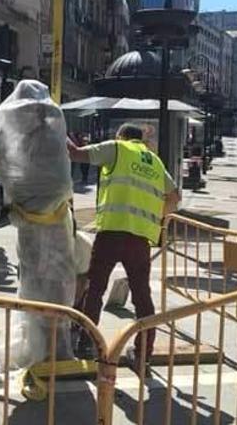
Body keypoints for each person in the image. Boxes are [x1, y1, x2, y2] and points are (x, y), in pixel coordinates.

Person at [68, 124, 180, 369]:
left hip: (112, 232)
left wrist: (56, 128)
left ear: (121, 135)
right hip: (140, 239)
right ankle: (143, 355)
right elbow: (175, 197)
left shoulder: (116, 148)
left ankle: (88, 343)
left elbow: (76, 153)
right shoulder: (155, 161)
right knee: (142, 297)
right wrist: (154, 216)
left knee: (95, 287)